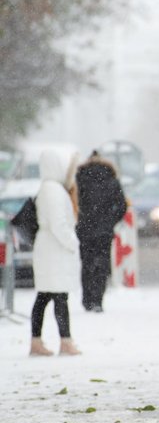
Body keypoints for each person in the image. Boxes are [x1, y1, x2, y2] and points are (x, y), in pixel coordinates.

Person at [29, 150, 82, 356]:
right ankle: (65, 341)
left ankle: (39, 340)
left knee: (47, 296)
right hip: (54, 250)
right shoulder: (52, 190)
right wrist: (72, 242)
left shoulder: (50, 189)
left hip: (51, 250)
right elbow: (58, 224)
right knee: (58, 296)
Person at [75, 151, 128, 312]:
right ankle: (98, 299)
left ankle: (87, 298)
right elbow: (122, 206)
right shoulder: (111, 180)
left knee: (86, 263)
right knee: (102, 264)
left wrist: (79, 220)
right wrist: (110, 221)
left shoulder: (80, 178)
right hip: (104, 230)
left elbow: (73, 203)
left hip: (84, 228)